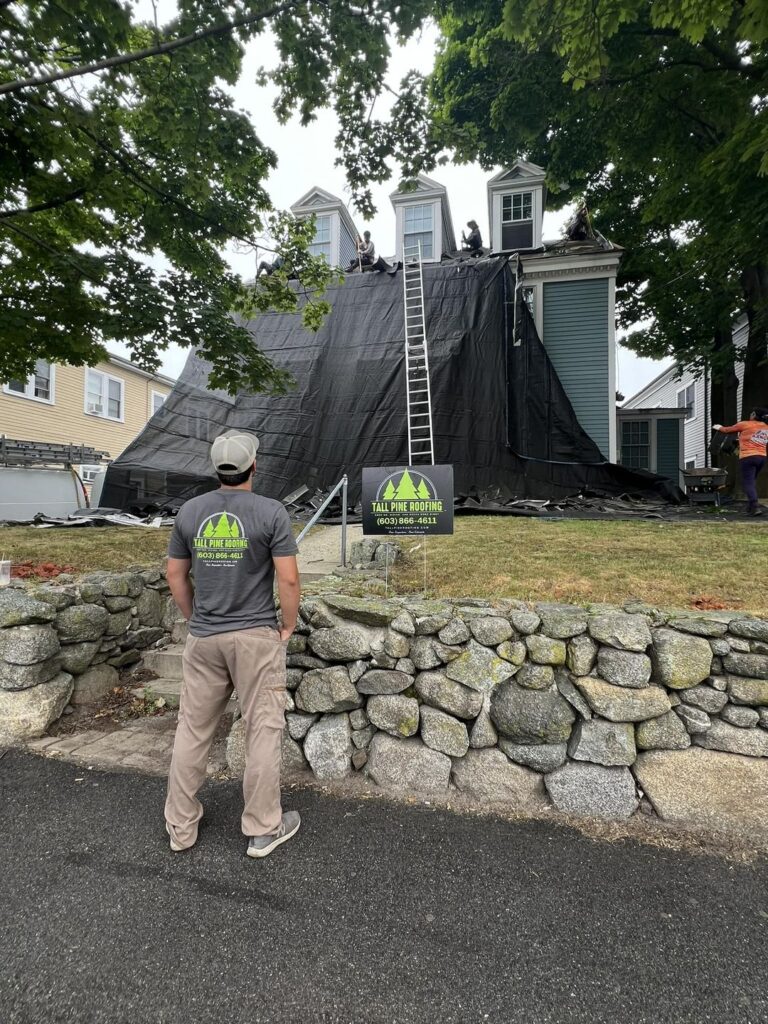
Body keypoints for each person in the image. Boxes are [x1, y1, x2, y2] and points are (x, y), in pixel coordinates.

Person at [164, 429, 301, 857]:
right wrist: (287, 627)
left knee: (192, 729)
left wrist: (195, 620)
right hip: (256, 637)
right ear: (253, 466)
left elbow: (174, 575)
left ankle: (181, 829)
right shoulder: (270, 512)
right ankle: (263, 828)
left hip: (205, 637)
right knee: (262, 729)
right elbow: (289, 577)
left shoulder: (190, 511)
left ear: (216, 470)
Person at [713, 407, 768, 516]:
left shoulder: (745, 424)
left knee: (747, 483)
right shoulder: (766, 427)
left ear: (753, 415)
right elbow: (755, 437)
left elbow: (727, 430)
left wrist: (719, 427)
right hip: (761, 457)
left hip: (748, 457)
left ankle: (755, 507)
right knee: (752, 481)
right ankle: (750, 508)